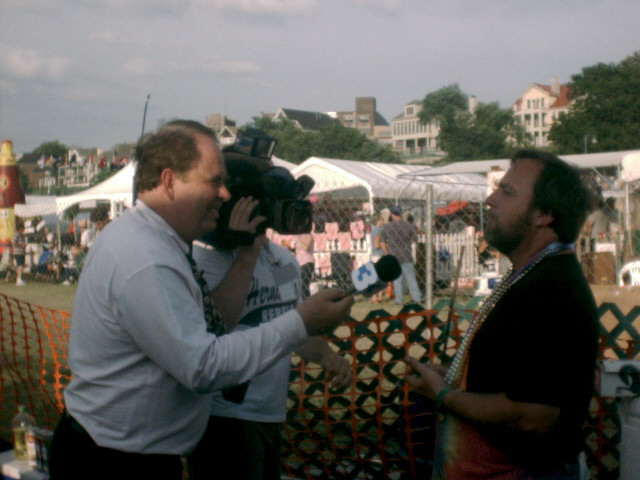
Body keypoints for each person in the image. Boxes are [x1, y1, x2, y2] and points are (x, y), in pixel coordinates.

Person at [48, 120, 354, 480]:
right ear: (169, 182)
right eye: (214, 182)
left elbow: (211, 325)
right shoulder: (146, 258)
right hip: (114, 462)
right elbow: (203, 368)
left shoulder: (156, 241)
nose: (225, 195)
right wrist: (300, 322)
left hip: (126, 452)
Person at [404, 149, 599, 479]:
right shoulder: (530, 275)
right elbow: (514, 383)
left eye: (507, 192)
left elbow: (531, 416)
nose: (490, 200)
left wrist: (443, 395)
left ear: (544, 214)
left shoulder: (552, 290)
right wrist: (454, 380)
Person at [189, 200, 351, 479]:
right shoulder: (206, 258)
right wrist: (247, 253)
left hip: (271, 412)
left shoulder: (282, 260)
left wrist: (326, 355)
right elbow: (215, 324)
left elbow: (293, 322)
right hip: (223, 415)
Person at [380, 205, 421, 305]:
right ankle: (416, 298)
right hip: (406, 255)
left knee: (397, 279)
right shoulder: (409, 226)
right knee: (411, 278)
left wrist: (386, 253)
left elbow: (382, 242)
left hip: (394, 255)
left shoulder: (387, 227)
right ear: (401, 214)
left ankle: (399, 299)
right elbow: (416, 240)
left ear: (392, 214)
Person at [295, 232, 315, 299]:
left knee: (303, 287)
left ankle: (306, 302)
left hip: (306, 262)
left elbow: (305, 248)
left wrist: (298, 238)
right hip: (298, 263)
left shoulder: (307, 234)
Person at [12, 220, 27, 286]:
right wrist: (22, 245)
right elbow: (14, 243)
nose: (24, 230)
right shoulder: (17, 234)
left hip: (20, 252)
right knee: (20, 265)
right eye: (23, 228)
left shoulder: (21, 235)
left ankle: (19, 279)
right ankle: (19, 279)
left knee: (19, 265)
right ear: (20, 228)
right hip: (18, 252)